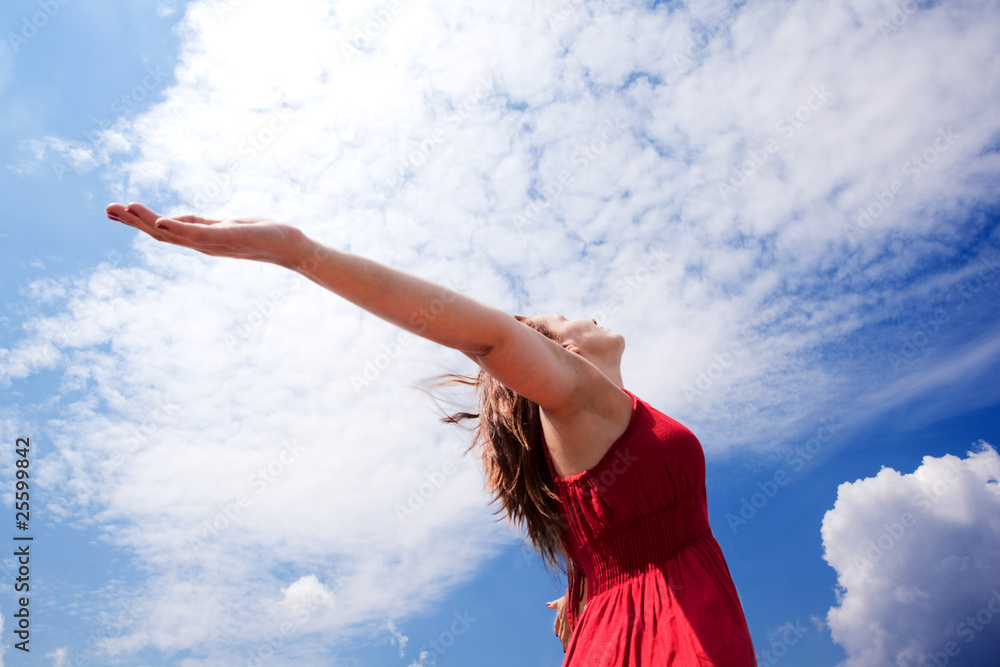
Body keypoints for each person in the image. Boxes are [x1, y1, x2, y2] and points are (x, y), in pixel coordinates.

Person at [105, 202, 758, 665]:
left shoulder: (604, 425)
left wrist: (587, 588)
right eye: (561, 324)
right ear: (556, 358)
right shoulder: (584, 398)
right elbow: (488, 334)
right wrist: (299, 252)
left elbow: (616, 540)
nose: (581, 316)